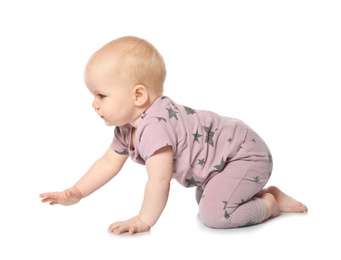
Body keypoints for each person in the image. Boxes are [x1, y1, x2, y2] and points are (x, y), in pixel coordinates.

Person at [40, 36, 308, 235]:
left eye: (101, 95)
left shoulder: (156, 126)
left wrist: (144, 220)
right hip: (223, 162)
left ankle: (269, 204)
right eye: (93, 96)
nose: (94, 104)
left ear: (138, 95)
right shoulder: (126, 128)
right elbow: (108, 163)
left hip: (246, 155)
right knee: (206, 202)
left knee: (214, 214)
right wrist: (77, 191)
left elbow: (159, 181)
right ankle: (261, 194)